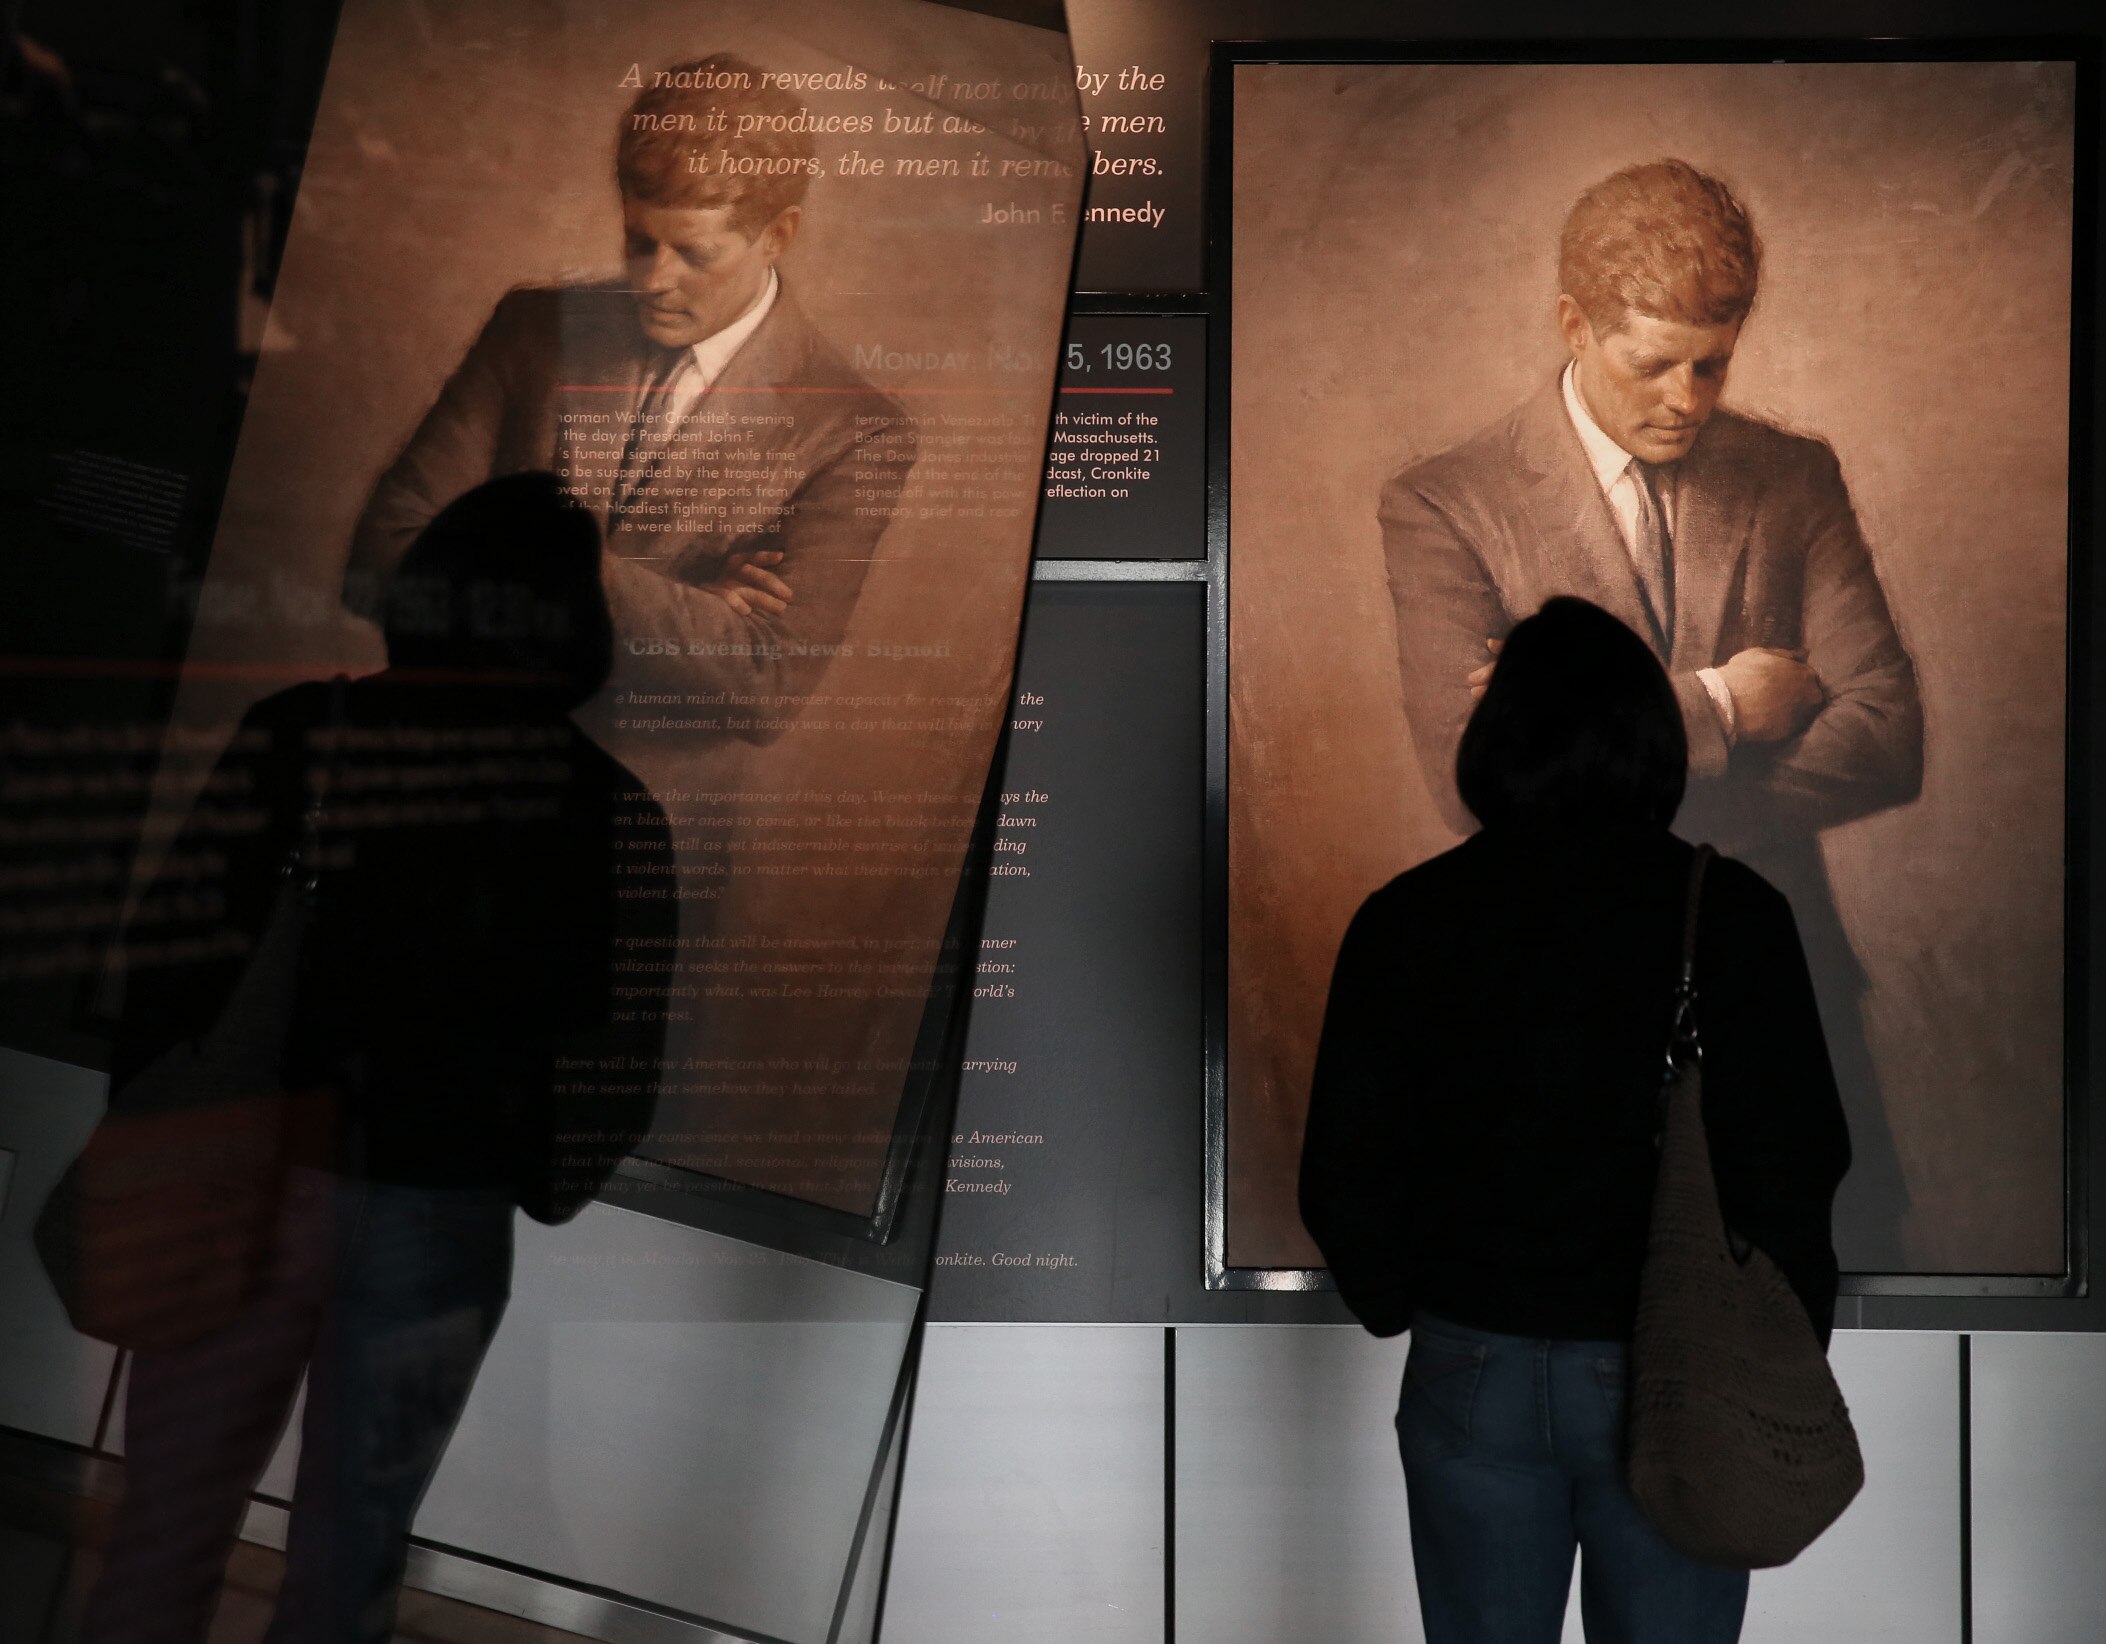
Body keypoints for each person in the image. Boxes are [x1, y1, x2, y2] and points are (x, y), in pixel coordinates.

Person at [80, 474, 673, 1644]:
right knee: (350, 1562)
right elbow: (615, 1060)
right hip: (442, 1209)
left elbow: (171, 958)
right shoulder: (609, 812)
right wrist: (535, 1171)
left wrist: (159, 1120)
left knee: (164, 1535)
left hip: (245, 1181)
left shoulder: (306, 730)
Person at [1377, 159, 1920, 1268]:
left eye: (1713, 365)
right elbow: (1464, 781)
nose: (1689, 398)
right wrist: (1725, 700)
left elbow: (1888, 735)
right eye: (1655, 363)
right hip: (1555, 1020)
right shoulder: (1447, 502)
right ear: (1574, 325)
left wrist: (1576, 752)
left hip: (1774, 998)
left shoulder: (1794, 475)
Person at [1300, 595, 1851, 1644]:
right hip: (1673, 1364)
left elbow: (1346, 1165)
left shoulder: (1407, 919)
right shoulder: (1730, 916)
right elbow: (1799, 1158)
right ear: (1654, 739)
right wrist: (1770, 1344)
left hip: (1473, 1358)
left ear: (1496, 740)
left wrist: (1405, 1300)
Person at [344, 51, 917, 723]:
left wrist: (510, 553)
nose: (651, 280)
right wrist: (686, 605)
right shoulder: (532, 328)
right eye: (638, 241)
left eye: (695, 255)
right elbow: (380, 555)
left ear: (777, 236)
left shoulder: (859, 433)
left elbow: (766, 684)